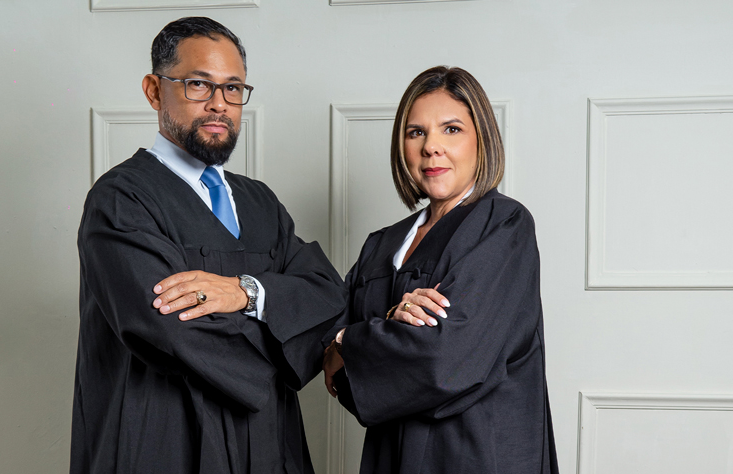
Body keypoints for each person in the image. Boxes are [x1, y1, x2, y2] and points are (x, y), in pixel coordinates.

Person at [71, 17, 346, 474]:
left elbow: (328, 296)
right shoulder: (122, 200)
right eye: (198, 84)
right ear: (155, 91)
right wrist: (286, 328)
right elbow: (172, 331)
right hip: (164, 444)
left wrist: (246, 292)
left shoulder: (261, 202)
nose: (219, 104)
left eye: (233, 88)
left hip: (269, 445)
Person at [322, 66, 559, 474]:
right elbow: (331, 364)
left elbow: (445, 362)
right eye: (416, 132)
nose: (431, 146)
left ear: (482, 139)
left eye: (451, 129)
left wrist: (349, 342)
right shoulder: (382, 245)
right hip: (388, 456)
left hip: (474, 454)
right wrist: (368, 337)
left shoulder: (503, 226)